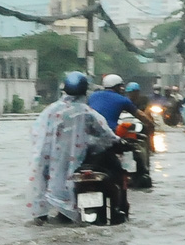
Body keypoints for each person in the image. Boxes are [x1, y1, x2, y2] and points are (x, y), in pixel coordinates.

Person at [27, 71, 119, 224]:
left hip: (50, 164)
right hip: (79, 163)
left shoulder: (49, 111)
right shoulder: (88, 113)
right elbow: (107, 135)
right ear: (85, 91)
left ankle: (42, 216)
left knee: (42, 186)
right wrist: (118, 141)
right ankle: (115, 212)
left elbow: (36, 133)